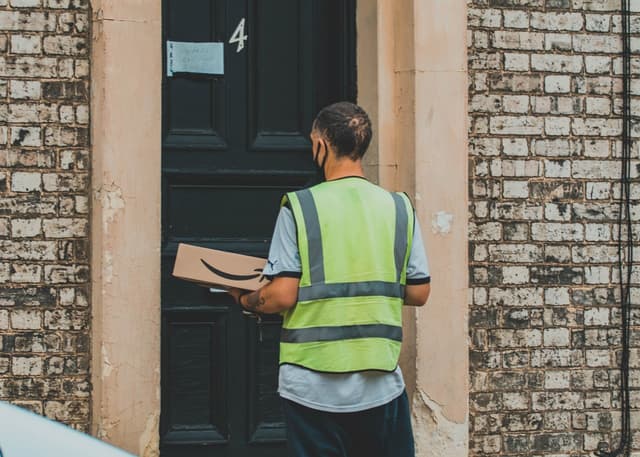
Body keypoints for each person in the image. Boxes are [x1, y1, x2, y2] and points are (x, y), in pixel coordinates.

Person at [228, 101, 431, 457]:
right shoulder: (399, 207)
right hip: (379, 383)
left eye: (312, 142)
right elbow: (419, 291)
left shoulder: (301, 206)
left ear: (321, 144)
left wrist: (244, 299)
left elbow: (281, 296)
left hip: (312, 386)